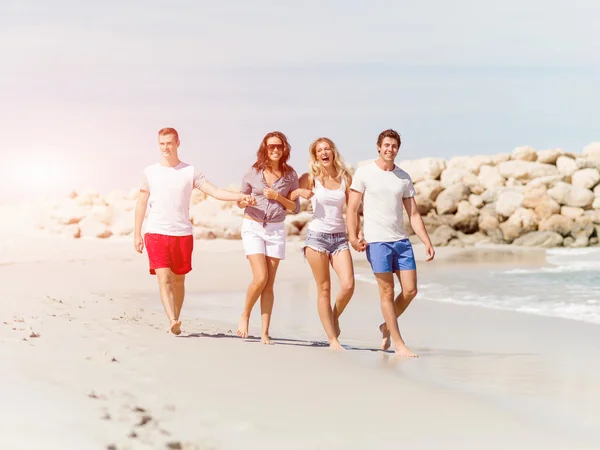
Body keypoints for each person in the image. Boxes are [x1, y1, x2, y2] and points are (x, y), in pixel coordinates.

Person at [134, 127, 255, 335]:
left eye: (169, 143)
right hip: (155, 232)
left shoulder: (190, 171)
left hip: (182, 233)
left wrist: (239, 197)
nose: (166, 147)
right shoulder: (150, 172)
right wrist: (137, 233)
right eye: (162, 143)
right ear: (158, 144)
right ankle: (172, 320)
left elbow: (215, 191)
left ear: (178, 143)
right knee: (163, 278)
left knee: (179, 279)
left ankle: (176, 317)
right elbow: (141, 203)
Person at [346, 129, 435, 357]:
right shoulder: (364, 173)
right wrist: (353, 236)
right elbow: (353, 209)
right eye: (386, 145)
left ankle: (386, 325)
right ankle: (398, 343)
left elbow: (413, 214)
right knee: (386, 292)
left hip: (401, 241)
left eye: (394, 146)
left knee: (410, 290)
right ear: (378, 146)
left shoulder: (403, 177)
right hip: (377, 242)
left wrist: (426, 240)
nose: (390, 149)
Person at [290, 137, 355, 351]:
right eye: (320, 150)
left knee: (348, 285)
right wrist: (300, 192)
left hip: (339, 239)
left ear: (333, 152)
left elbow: (353, 210)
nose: (324, 153)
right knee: (324, 288)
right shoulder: (310, 178)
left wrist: (356, 234)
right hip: (316, 238)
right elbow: (290, 203)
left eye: (327, 149)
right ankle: (332, 340)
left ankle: (333, 318)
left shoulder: (345, 176)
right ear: (315, 156)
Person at [236, 131, 300, 345]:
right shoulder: (252, 172)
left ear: (284, 149)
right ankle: (245, 314)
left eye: (279, 147)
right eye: (271, 146)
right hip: (253, 226)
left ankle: (264, 332)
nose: (275, 150)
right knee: (260, 277)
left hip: (275, 229)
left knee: (269, 284)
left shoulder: (290, 175)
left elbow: (294, 207)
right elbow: (240, 199)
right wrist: (245, 201)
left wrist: (278, 197)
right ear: (264, 148)